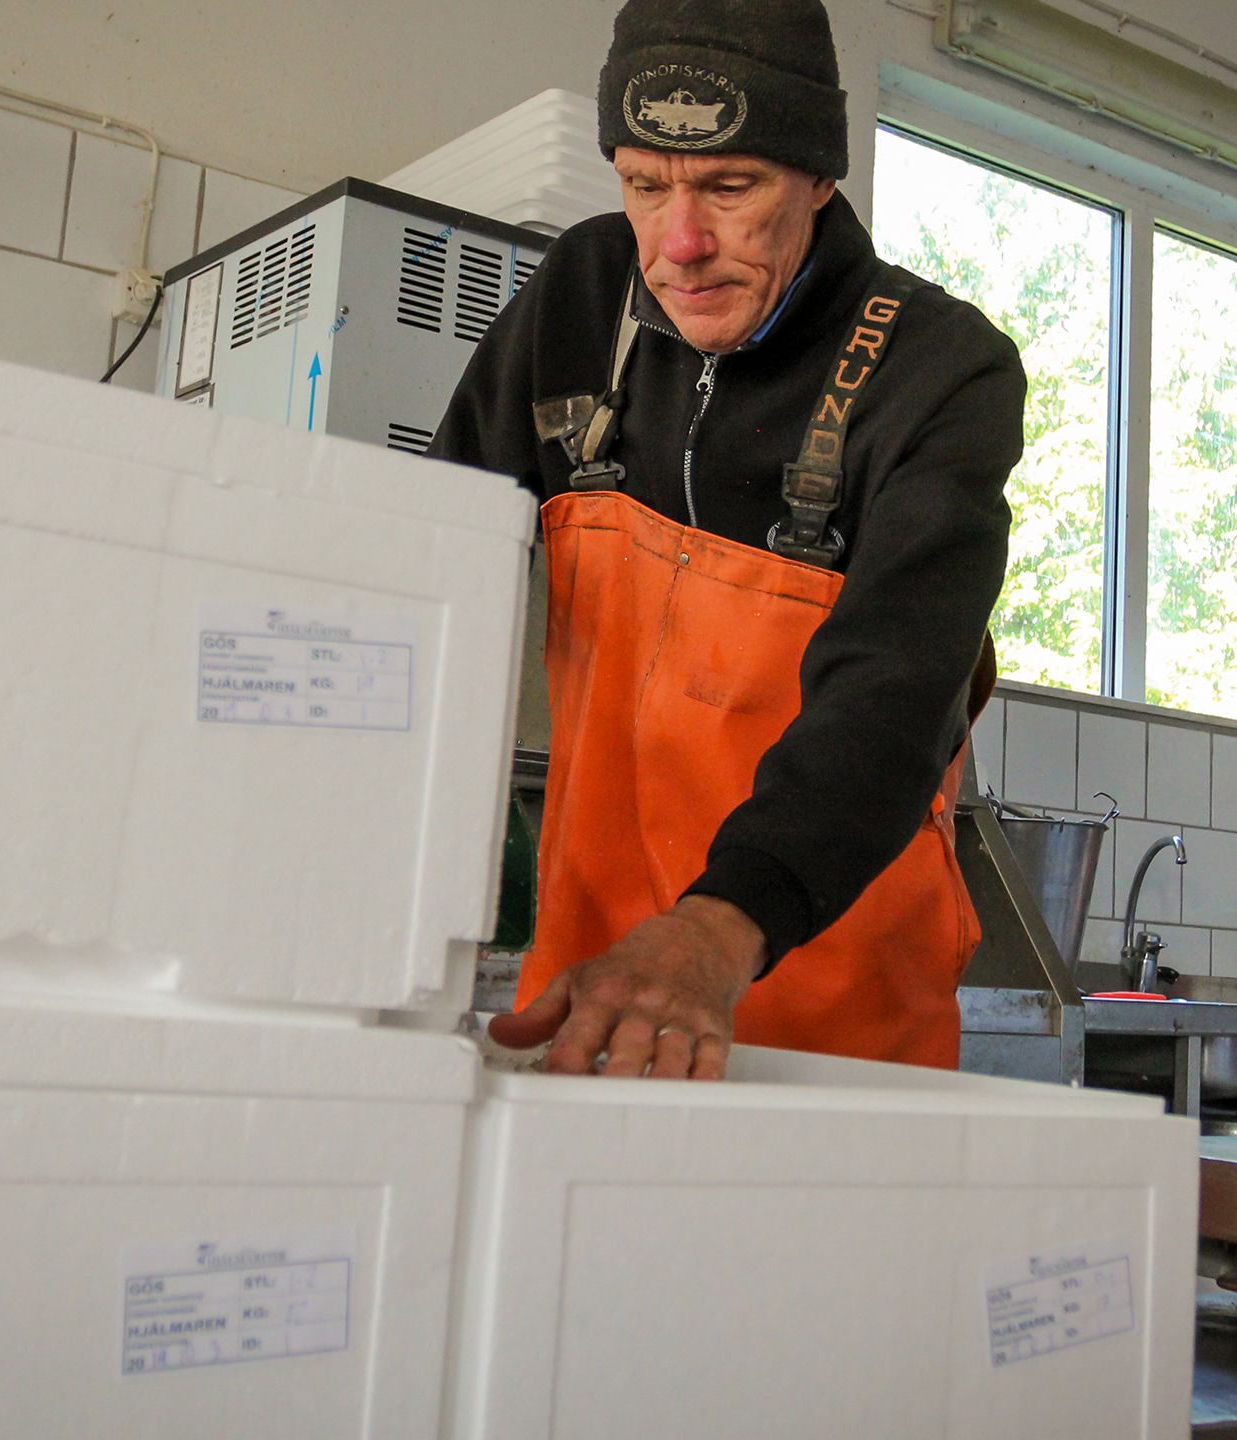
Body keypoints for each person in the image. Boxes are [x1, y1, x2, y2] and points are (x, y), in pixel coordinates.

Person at [430, 0, 1026, 1080]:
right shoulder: (577, 300)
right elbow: (422, 565)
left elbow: (895, 690)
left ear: (819, 177)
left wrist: (714, 930)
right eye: (642, 186)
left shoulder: (941, 372)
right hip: (594, 984)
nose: (679, 244)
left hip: (832, 997)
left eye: (728, 188)